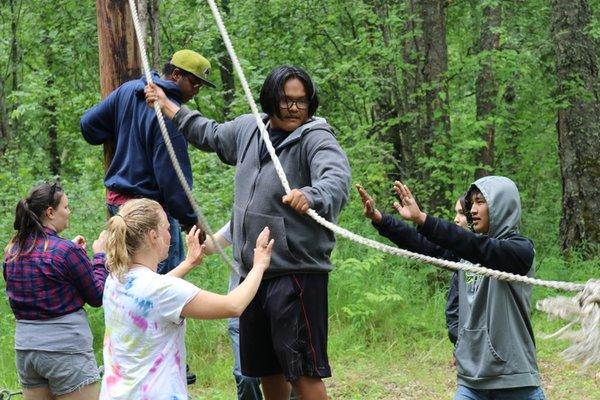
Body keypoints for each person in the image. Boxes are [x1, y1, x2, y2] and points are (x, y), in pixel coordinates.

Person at [146, 65, 351, 400]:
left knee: (302, 372)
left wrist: (312, 195)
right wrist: (167, 104)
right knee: (265, 368)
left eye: (301, 101)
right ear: (270, 99)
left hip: (296, 273)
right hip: (253, 274)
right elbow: (207, 133)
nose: (294, 107)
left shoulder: (317, 138)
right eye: (286, 100)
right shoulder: (249, 129)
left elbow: (335, 180)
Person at [362, 177, 545, 400]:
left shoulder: (519, 251)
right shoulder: (465, 256)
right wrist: (381, 220)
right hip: (471, 380)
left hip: (514, 379)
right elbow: (423, 246)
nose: (473, 210)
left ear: (501, 206)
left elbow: (478, 247)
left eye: (481, 202)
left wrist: (424, 219)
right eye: (471, 205)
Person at [99, 198, 274, 399]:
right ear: (153, 236)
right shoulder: (163, 291)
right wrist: (259, 264)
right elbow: (233, 305)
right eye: (166, 228)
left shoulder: (116, 279)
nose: (170, 234)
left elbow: (151, 294)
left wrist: (188, 263)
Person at [80, 49, 215, 275]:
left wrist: (124, 126)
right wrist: (192, 222)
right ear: (175, 75)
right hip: (149, 217)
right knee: (163, 291)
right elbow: (174, 182)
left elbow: (89, 126)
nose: (196, 91)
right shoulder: (171, 118)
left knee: (125, 281)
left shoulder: (129, 91)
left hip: (119, 208)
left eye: (201, 85)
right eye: (194, 82)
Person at [3, 182, 108, 400]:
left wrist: (70, 252)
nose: (69, 212)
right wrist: (100, 256)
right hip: (65, 350)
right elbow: (97, 296)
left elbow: (42, 278)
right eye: (66, 207)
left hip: (26, 351)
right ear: (50, 212)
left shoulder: (12, 250)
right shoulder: (66, 252)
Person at [204, 222, 264, 400]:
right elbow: (209, 246)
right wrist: (189, 220)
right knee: (246, 377)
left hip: (277, 309)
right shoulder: (240, 216)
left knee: (287, 376)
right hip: (240, 313)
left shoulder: (289, 218)